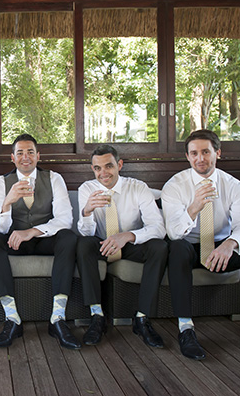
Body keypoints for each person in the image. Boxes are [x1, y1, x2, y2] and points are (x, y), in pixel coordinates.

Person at [162, 129, 240, 361]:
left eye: (206, 152)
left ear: (218, 153)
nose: (200, 158)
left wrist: (230, 243)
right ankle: (185, 328)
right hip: (190, 248)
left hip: (222, 249)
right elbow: (173, 232)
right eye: (194, 153)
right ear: (187, 157)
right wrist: (193, 207)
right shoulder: (175, 185)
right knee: (177, 248)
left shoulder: (234, 186)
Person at [0, 134, 79, 349]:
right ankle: (12, 318)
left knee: (68, 237)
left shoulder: (54, 179)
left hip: (44, 239)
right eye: (20, 153)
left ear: (38, 156)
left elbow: (65, 220)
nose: (25, 157)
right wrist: (8, 202)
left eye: (30, 152)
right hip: (14, 242)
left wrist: (33, 231)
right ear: (13, 158)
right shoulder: (1, 182)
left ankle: (58, 317)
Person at [76, 145, 168, 348]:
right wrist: (87, 211)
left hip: (130, 244)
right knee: (83, 244)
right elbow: (86, 233)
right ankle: (97, 315)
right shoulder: (87, 189)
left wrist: (127, 236)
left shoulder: (138, 187)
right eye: (97, 168)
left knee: (160, 247)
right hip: (101, 243)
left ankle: (142, 318)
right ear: (93, 169)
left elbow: (158, 227)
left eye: (108, 166)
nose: (103, 173)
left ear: (119, 165)